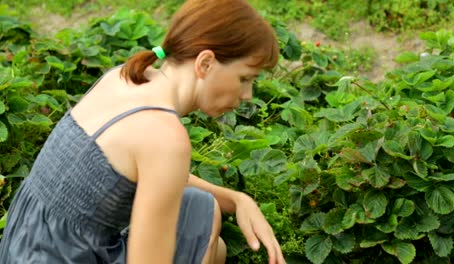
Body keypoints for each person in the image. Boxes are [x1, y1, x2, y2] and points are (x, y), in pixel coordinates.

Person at [0, 0, 284, 263]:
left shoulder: (124, 78)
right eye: (245, 78)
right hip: (60, 256)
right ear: (205, 63)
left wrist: (237, 200)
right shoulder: (165, 137)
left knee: (204, 217)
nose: (247, 94)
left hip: (25, 243)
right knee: (205, 235)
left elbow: (148, 172)